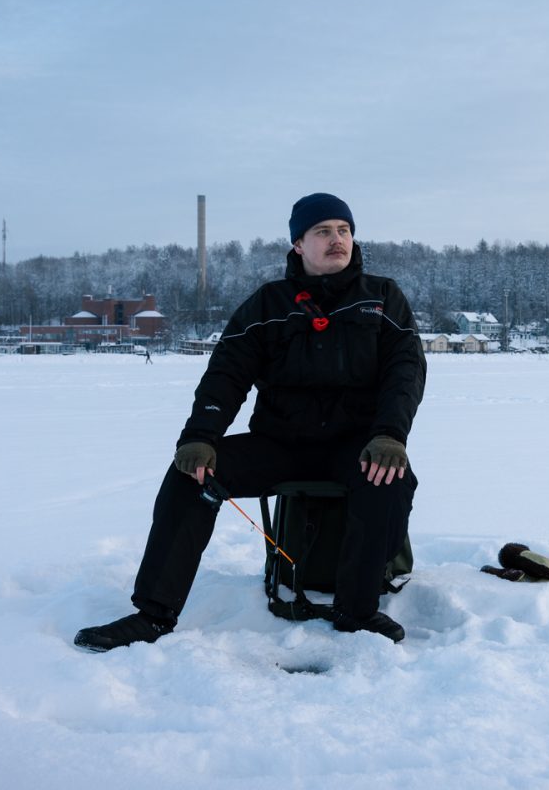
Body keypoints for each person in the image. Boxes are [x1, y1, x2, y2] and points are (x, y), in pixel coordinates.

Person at [75, 193, 425, 650]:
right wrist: (200, 438)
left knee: (391, 480)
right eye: (322, 231)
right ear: (299, 244)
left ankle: (356, 611)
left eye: (343, 230)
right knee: (189, 477)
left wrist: (389, 435)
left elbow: (406, 370)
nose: (336, 240)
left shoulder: (382, 297)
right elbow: (226, 374)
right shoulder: (268, 304)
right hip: (281, 443)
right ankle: (153, 615)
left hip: (356, 445)